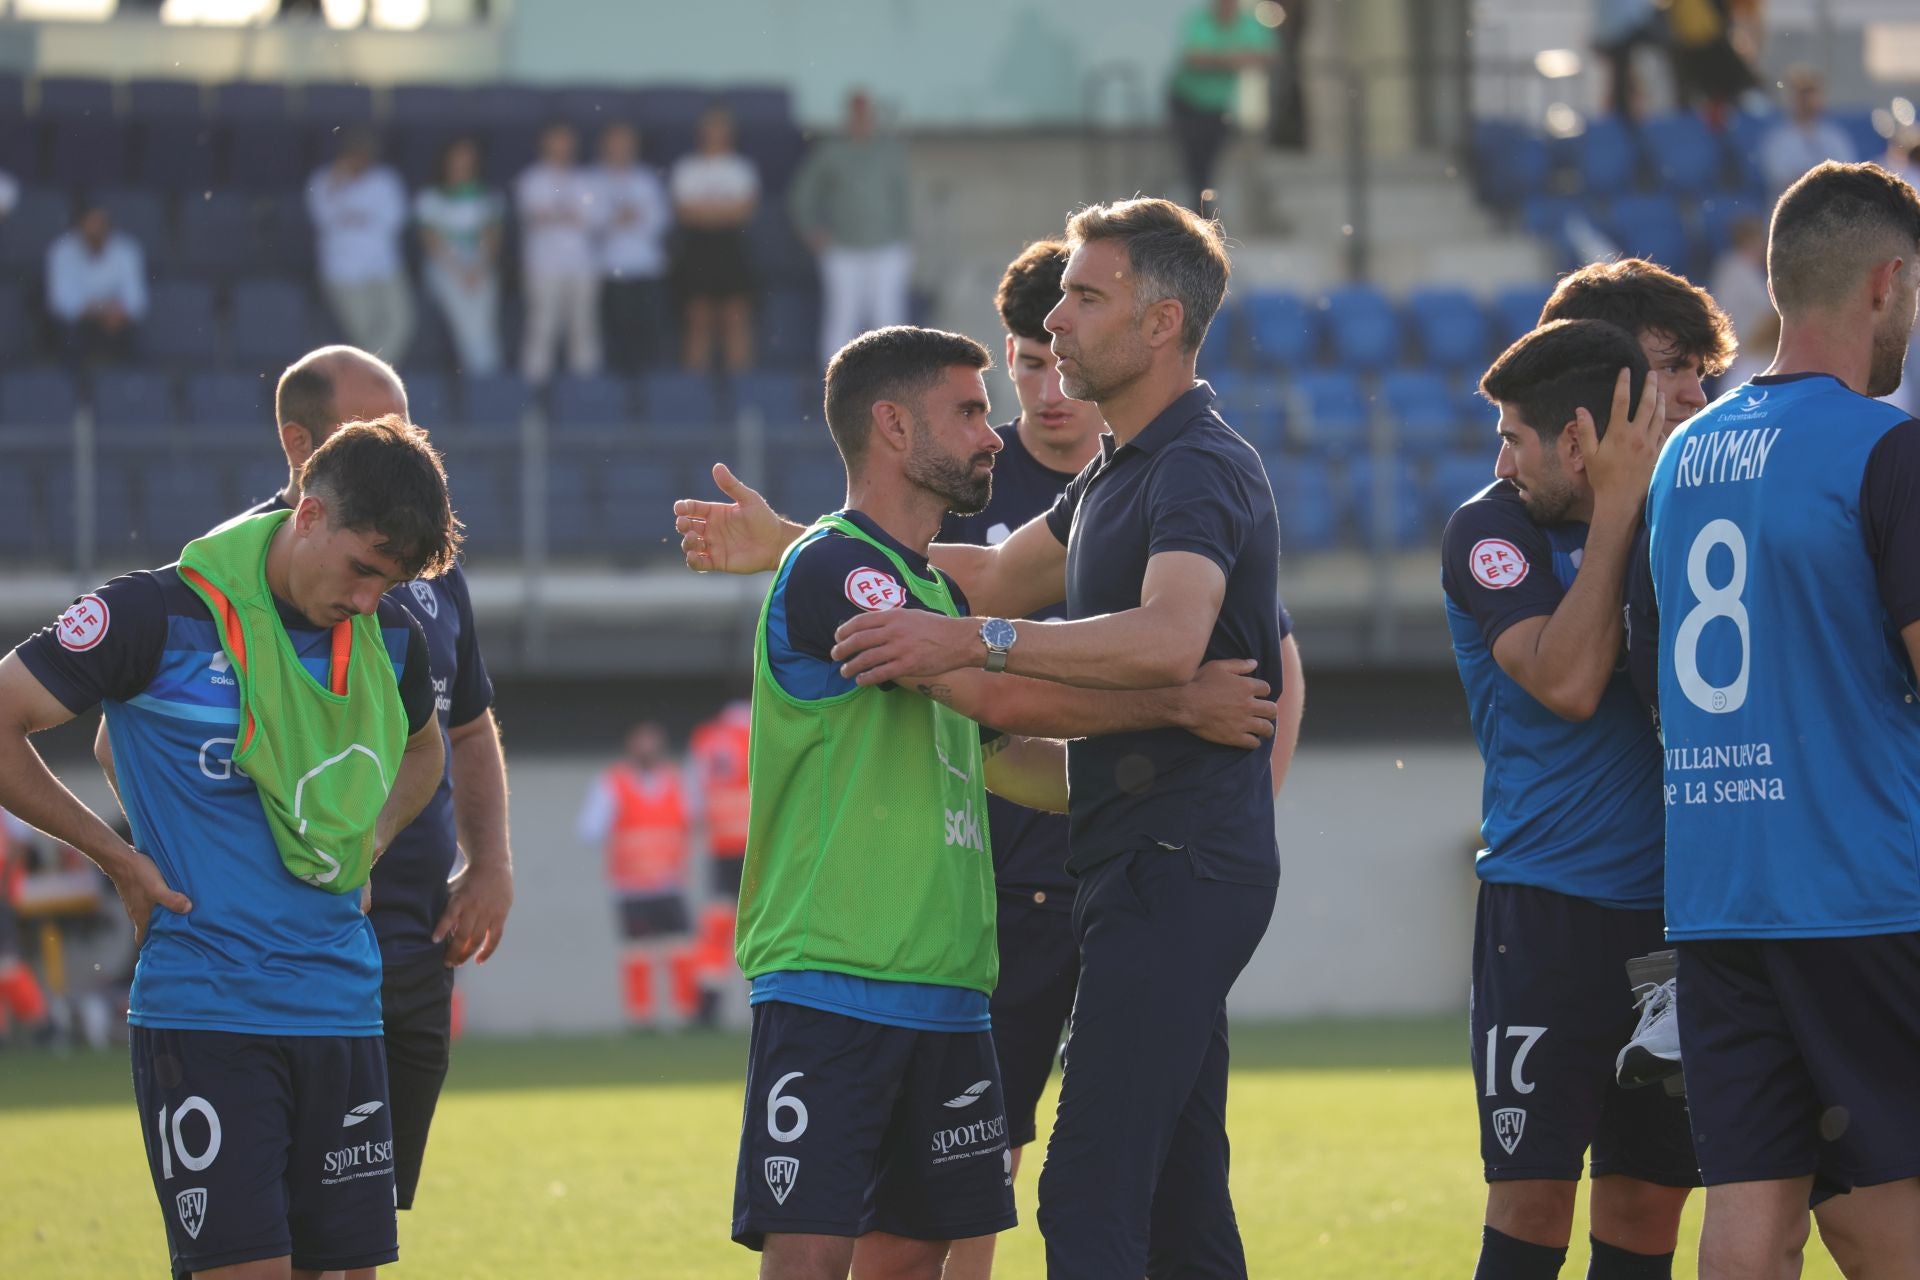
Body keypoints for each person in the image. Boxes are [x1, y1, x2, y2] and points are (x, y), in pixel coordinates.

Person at [680, 198, 1300, 1278]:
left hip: (1175, 860)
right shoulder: (1118, 472)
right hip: (1114, 862)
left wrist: (982, 641)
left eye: (1084, 295)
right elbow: (994, 580)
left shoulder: (1197, 463)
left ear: (1160, 322)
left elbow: (1159, 639)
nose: (1054, 322)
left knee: (1089, 1185)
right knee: (1182, 1193)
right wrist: (797, 543)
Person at [0, 415, 458, 1279]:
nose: (368, 599)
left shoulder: (392, 639)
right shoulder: (156, 614)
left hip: (342, 1009)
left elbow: (427, 748)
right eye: (364, 567)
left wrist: (372, 838)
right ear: (309, 514)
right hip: (208, 1013)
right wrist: (119, 857)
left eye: (388, 580)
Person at [1647, 160, 1920, 1280]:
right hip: (1860, 890)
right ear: (1884, 283)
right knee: (1895, 1195)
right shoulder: (1884, 445)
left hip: (1719, 891)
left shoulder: (1680, 456)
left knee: (1752, 1204)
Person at [237, 346, 514, 1223]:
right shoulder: (234, 571)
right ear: (298, 443)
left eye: (408, 425)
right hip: (285, 947)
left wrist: (491, 861)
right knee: (270, 1226)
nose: (401, 444)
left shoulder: (435, 573)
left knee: (367, 1226)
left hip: (411, 942)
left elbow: (466, 729)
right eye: (375, 426)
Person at [1443, 318, 1693, 1280]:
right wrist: (1619, 516)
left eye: (1512, 435)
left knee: (1643, 1206)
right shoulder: (1489, 527)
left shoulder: (1680, 517)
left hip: (1675, 926)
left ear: (1578, 442)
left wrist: (1631, 509)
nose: (1500, 459)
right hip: (1542, 914)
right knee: (1534, 1198)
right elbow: (1569, 680)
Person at [575, 721, 697, 1027]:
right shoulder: (612, 783)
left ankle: (686, 1014)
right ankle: (642, 1019)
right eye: (641, 743)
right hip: (631, 885)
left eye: (652, 743)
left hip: (669, 882)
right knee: (637, 955)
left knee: (680, 950)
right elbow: (589, 829)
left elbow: (694, 819)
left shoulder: (675, 781)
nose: (647, 749)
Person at [788, 90, 913, 367]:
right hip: (842, 248)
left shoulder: (889, 151)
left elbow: (902, 196)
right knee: (842, 317)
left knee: (888, 317)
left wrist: (903, 239)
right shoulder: (831, 151)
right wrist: (811, 228)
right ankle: (835, 386)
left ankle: (893, 381)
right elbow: (803, 193)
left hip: (886, 246)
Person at [307, 125, 414, 364]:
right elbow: (321, 216)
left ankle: (370, 380)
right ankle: (373, 384)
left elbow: (395, 220)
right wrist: (338, 183)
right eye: (353, 152)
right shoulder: (324, 180)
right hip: (343, 274)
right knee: (366, 333)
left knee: (400, 324)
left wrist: (357, 218)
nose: (359, 157)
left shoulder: (386, 181)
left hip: (385, 268)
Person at [670, 106, 760, 374]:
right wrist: (722, 212)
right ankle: (695, 392)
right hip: (697, 248)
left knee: (736, 317)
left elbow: (745, 211)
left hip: (731, 247)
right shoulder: (687, 168)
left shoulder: (742, 168)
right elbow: (684, 213)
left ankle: (742, 390)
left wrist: (706, 211)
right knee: (698, 318)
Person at [1167, 0, 1275, 218]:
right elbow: (1194, 57)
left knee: (1211, 158)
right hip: (1188, 100)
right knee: (1194, 159)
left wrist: (1218, 58)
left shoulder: (1248, 24)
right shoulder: (1200, 21)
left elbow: (1267, 55)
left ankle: (1203, 211)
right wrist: (1234, 58)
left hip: (1218, 106)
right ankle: (1197, 212)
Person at [516, 121, 603, 383]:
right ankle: (533, 395)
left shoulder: (586, 179)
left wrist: (558, 216)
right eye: (557, 140)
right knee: (542, 329)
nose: (562, 147)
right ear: (545, 143)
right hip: (544, 267)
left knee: (583, 329)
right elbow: (536, 215)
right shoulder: (532, 178)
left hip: (582, 265)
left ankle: (585, 392)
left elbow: (595, 219)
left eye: (566, 141)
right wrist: (567, 215)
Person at [414, 136, 505, 376]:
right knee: (468, 318)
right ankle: (482, 375)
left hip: (478, 266)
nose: (462, 166)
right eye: (457, 160)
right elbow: (433, 244)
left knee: (482, 322)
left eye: (468, 160)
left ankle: (485, 380)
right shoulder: (431, 197)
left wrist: (477, 269)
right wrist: (460, 272)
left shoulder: (487, 196)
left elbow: (491, 240)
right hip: (445, 267)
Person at [593, 121, 673, 374]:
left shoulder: (647, 179)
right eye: (615, 144)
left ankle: (648, 393)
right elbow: (590, 221)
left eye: (626, 145)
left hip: (647, 266)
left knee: (648, 333)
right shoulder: (593, 178)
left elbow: (660, 220)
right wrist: (618, 219)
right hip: (609, 266)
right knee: (617, 336)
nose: (621, 150)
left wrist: (629, 219)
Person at [46, 201, 146, 365]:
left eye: (100, 226)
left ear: (109, 227)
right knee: (68, 333)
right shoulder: (61, 251)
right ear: (79, 226)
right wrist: (98, 312)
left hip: (114, 324)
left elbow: (137, 302)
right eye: (90, 227)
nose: (95, 232)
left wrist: (114, 313)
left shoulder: (127, 250)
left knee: (124, 332)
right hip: (78, 325)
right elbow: (61, 302)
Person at [1759, 66, 1856, 198]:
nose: (1808, 102)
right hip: (1791, 206)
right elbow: (1780, 179)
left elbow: (1847, 173)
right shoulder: (1778, 139)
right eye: (1802, 95)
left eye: (1812, 94)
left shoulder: (1834, 136)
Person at [688, 698, 750, 898]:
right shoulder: (765, 732)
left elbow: (692, 790)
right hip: (760, 840)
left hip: (720, 840)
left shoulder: (707, 737)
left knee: (723, 906)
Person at [1708, 216, 1776, 388]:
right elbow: (1722, 310)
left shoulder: (1754, 270)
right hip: (1744, 353)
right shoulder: (1733, 269)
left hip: (1758, 352)